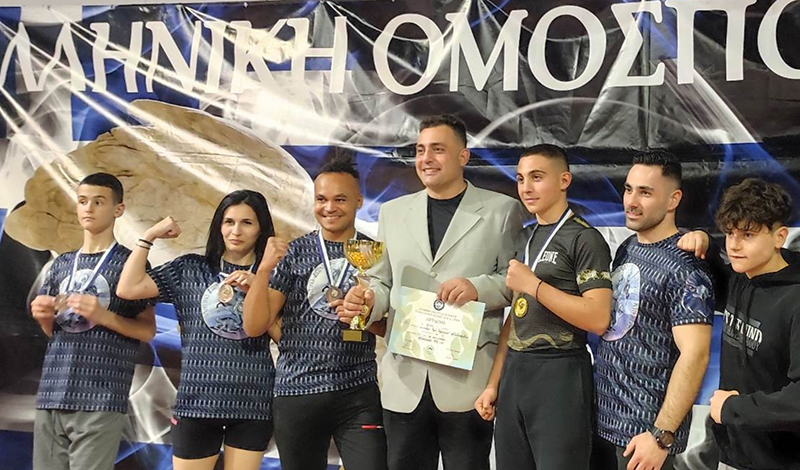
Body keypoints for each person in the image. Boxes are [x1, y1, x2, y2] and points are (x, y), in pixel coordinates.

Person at [341, 114, 524, 470]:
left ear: (463, 156)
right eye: (420, 150)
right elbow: (381, 282)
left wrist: (477, 287)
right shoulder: (392, 212)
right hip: (404, 380)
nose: (426, 158)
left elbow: (515, 282)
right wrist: (368, 301)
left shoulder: (502, 211)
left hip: (467, 380)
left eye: (438, 150)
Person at [242, 156, 387, 470]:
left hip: (357, 392)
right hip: (297, 392)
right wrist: (264, 270)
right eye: (321, 199)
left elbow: (390, 327)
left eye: (340, 199)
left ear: (359, 201)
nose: (329, 207)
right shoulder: (294, 252)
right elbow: (254, 326)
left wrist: (365, 313)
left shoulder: (375, 253)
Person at [474, 144, 612, 470]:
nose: (526, 187)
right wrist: (493, 383)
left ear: (564, 180)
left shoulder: (585, 239)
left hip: (560, 372)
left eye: (537, 177)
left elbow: (598, 318)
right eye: (521, 178)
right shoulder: (525, 237)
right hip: (516, 374)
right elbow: (516, 315)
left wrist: (534, 286)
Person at [116, 190, 275, 470]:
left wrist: (260, 285)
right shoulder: (190, 268)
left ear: (261, 228)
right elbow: (128, 289)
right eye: (229, 222)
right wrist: (149, 236)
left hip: (253, 402)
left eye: (247, 223)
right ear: (218, 226)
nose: (236, 231)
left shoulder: (273, 276)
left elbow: (286, 337)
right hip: (197, 401)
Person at [593, 150, 715, 470]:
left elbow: (696, 355)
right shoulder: (627, 247)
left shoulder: (686, 269)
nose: (631, 201)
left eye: (645, 193)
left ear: (674, 199)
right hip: (605, 424)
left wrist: (661, 436)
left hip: (645, 438)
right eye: (628, 189)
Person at [30, 172, 155, 470]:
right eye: (83, 201)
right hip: (53, 392)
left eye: (98, 202)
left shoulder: (131, 263)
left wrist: (103, 316)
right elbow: (54, 333)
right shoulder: (61, 263)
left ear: (118, 209)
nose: (88, 208)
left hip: (100, 395)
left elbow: (148, 330)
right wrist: (44, 317)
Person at [678, 178, 800, 469]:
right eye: (730, 233)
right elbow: (719, 278)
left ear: (779, 237)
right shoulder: (741, 277)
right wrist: (705, 244)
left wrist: (734, 409)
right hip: (732, 455)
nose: (734, 245)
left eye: (748, 234)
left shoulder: (795, 299)